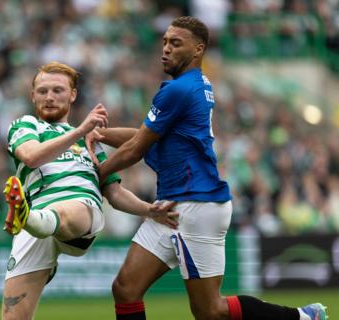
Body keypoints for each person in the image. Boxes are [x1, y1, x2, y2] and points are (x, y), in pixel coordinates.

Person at [91, 16, 328, 320]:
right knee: (125, 288)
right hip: (173, 205)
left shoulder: (178, 91)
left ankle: (300, 317)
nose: (165, 49)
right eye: (164, 42)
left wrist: (96, 173)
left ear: (198, 49)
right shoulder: (195, 86)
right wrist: (99, 134)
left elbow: (136, 148)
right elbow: (142, 137)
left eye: (176, 43)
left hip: (195, 205)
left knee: (210, 311)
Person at [1, 61, 178, 320]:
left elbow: (114, 194)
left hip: (81, 212)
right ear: (32, 96)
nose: (49, 97)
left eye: (57, 90)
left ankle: (25, 216)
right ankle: (29, 218)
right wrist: (83, 130)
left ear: (73, 94)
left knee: (70, 209)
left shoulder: (90, 142)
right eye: (42, 91)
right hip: (35, 225)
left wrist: (149, 210)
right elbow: (30, 157)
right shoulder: (26, 125)